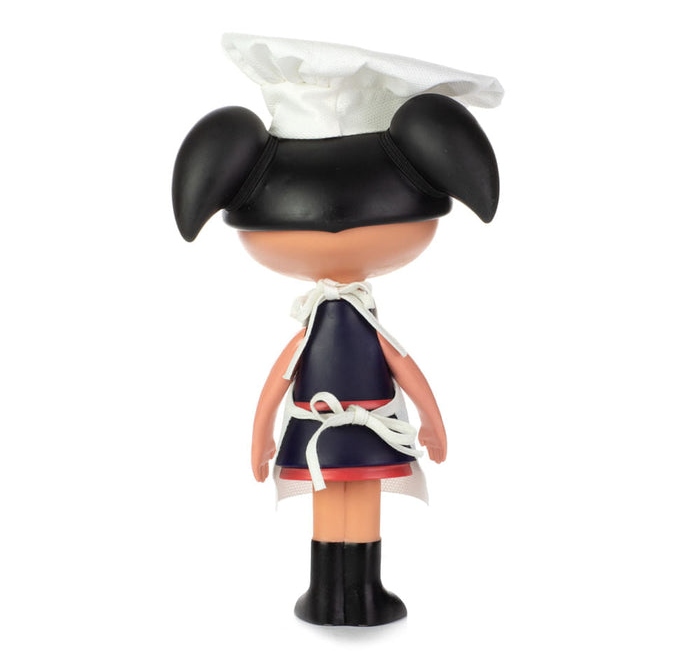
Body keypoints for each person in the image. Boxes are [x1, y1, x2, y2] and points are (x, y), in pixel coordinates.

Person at [172, 33, 503, 625]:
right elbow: (290, 376)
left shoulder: (344, 320)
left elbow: (390, 365)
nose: (331, 225)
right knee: (331, 500)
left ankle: (362, 589)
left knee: (359, 499)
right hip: (324, 425)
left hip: (366, 423)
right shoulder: (329, 322)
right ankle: (328, 591)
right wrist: (261, 435)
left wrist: (432, 420)